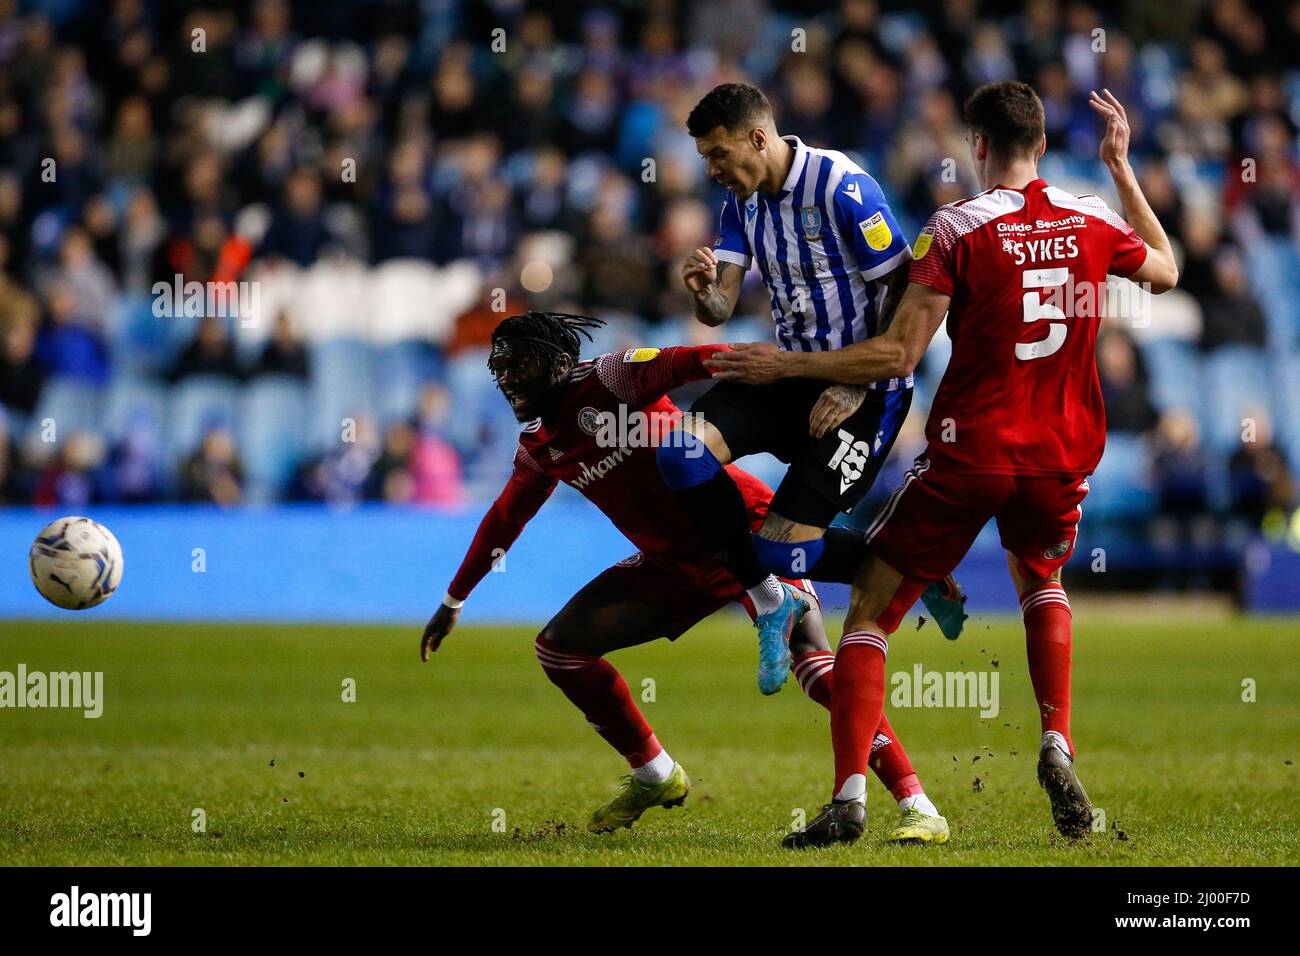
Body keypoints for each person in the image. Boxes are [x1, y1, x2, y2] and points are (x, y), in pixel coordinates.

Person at [709, 84, 1179, 846]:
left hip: (973, 451)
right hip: (1062, 454)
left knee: (870, 609)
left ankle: (851, 798)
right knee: (1043, 580)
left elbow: (899, 353)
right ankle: (1057, 742)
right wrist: (1122, 171)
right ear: (1042, 143)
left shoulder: (955, 228)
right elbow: (1165, 270)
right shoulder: (1094, 216)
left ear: (979, 145)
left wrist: (784, 366)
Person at [421, 311, 949, 842]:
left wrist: (813, 375)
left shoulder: (614, 377)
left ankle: (917, 804)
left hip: (746, 533)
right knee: (560, 648)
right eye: (500, 368)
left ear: (561, 362)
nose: (508, 378)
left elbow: (703, 359)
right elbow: (506, 518)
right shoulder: (538, 449)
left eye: (520, 364)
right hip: (674, 567)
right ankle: (654, 774)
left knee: (814, 667)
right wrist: (453, 598)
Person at [654, 82, 966, 699]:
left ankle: (914, 567)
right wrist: (703, 293)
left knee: (781, 550)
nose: (712, 170)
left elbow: (904, 290)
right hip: (787, 373)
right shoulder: (740, 204)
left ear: (758, 138)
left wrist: (857, 384)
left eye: (718, 154)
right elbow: (722, 305)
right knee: (677, 452)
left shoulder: (842, 186)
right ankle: (769, 601)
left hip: (865, 391)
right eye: (704, 159)